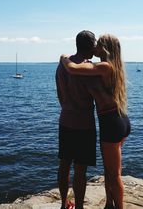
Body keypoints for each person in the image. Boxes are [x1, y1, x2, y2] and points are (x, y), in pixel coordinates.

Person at [60, 34, 130, 209]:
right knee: (108, 169)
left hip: (111, 122)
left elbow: (73, 69)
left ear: (104, 48)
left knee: (114, 174)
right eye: (95, 43)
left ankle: (118, 207)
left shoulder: (104, 66)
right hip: (117, 119)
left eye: (99, 44)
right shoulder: (106, 67)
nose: (95, 47)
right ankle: (109, 204)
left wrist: (63, 58)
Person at [56, 30, 99, 209]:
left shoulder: (62, 66)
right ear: (90, 45)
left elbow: (60, 94)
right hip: (84, 124)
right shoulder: (88, 68)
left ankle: (64, 203)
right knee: (80, 170)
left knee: (64, 164)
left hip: (65, 120)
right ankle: (79, 207)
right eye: (95, 43)